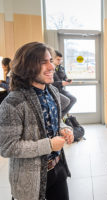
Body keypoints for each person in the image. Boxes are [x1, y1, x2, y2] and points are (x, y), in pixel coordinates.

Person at [0, 42, 74, 200]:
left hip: (58, 169)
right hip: (30, 179)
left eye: (51, 61)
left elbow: (56, 120)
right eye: (43, 62)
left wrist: (64, 128)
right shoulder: (13, 102)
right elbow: (7, 147)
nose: (51, 67)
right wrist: (48, 145)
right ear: (27, 67)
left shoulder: (52, 91)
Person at [52, 50, 76, 117]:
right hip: (53, 91)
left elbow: (64, 77)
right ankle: (58, 116)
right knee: (66, 101)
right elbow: (49, 84)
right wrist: (61, 83)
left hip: (61, 90)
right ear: (53, 58)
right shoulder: (50, 69)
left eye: (61, 60)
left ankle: (61, 116)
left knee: (73, 99)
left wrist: (67, 80)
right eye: (58, 59)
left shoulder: (61, 68)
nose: (60, 61)